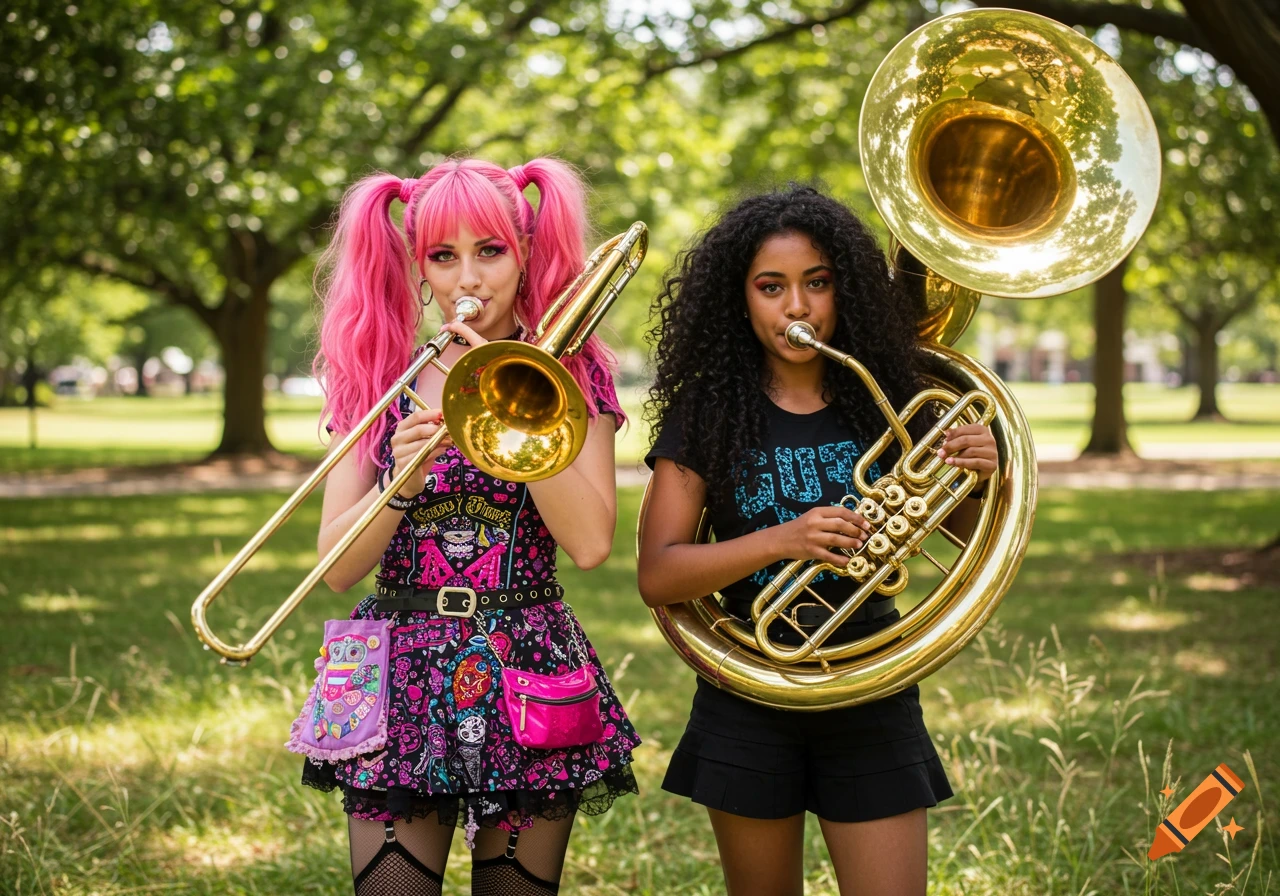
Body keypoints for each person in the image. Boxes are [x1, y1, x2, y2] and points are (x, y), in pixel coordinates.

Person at [638, 185, 998, 896]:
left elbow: (958, 531)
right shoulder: (706, 411)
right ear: (739, 298)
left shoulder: (887, 395)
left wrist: (977, 476)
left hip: (872, 687)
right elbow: (659, 573)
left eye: (817, 283)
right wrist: (784, 540)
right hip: (748, 695)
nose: (796, 307)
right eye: (771, 287)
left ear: (846, 292)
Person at [302, 157, 639, 896]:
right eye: (442, 256)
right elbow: (335, 567)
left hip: (526, 658)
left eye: (490, 251)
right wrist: (403, 482)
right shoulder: (377, 372)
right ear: (417, 264)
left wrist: (513, 403)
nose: (467, 279)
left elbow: (589, 544)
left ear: (525, 255)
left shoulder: (574, 373)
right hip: (397, 667)